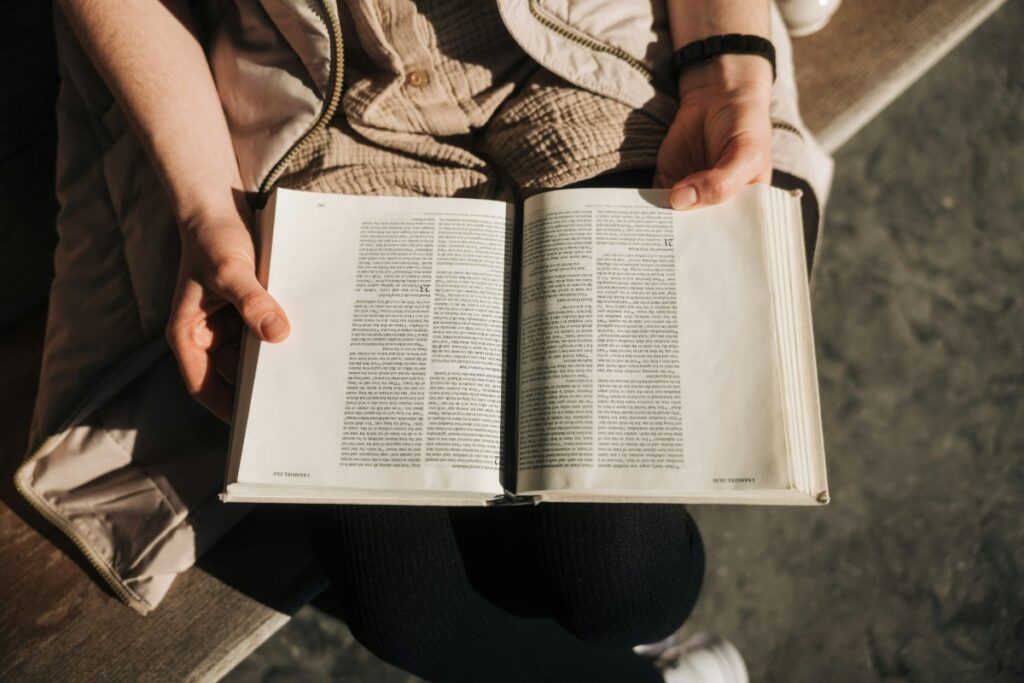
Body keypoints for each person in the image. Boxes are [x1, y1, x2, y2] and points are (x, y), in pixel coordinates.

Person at [24, 0, 832, 680]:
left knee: (622, 577)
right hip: (328, 118)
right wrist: (206, 213)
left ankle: (630, 632)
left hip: (586, 67)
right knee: (406, 607)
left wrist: (726, 67)